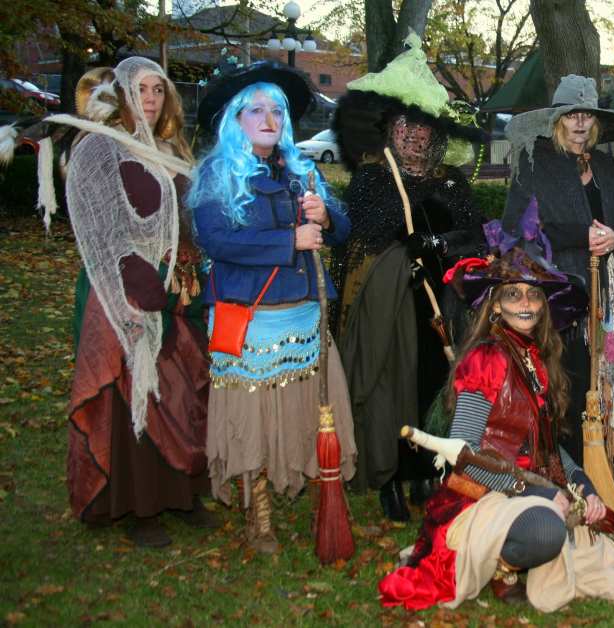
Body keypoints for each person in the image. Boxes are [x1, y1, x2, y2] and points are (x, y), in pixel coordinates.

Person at [378, 246, 614, 611]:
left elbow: (548, 449)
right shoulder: (486, 358)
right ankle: (502, 569)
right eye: (512, 293)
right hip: (481, 491)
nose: (524, 303)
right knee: (548, 531)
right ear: (495, 305)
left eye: (533, 294)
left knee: (592, 547)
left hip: (529, 485)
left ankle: (514, 544)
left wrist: (586, 489)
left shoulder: (536, 360)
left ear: (543, 306)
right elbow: (465, 455)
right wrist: (534, 494)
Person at [190, 62, 356, 554]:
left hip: (304, 313)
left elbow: (341, 229)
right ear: (235, 121)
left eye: (277, 110)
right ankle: (258, 511)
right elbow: (217, 240)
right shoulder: (217, 174)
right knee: (254, 415)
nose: (270, 118)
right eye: (256, 110)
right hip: (250, 319)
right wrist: (290, 240)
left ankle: (305, 484)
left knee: (307, 407)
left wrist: (328, 215)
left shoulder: (302, 170)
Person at [331, 33, 486, 522]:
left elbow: (477, 238)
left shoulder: (451, 182)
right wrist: (401, 254)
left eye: (425, 129)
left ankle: (428, 472)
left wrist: (439, 246)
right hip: (394, 308)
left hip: (445, 306)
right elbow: (359, 243)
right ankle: (392, 479)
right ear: (392, 131)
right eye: (407, 127)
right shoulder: (374, 179)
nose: (417, 137)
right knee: (392, 389)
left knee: (437, 388)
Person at [60, 57, 212, 547]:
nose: (150, 100)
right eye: (140, 90)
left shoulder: (172, 149)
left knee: (183, 391)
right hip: (124, 288)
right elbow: (98, 223)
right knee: (137, 391)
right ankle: (139, 506)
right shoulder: (103, 148)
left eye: (158, 90)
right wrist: (132, 273)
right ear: (122, 95)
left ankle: (183, 495)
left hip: (178, 287)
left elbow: (192, 217)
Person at [500, 75, 614, 464]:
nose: (580, 123)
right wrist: (581, 235)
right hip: (562, 293)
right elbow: (522, 228)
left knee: (607, 378)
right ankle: (570, 465)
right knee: (570, 379)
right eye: (571, 115)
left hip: (610, 290)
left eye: (587, 115)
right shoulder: (537, 163)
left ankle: (610, 465)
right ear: (557, 120)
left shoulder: (605, 164)